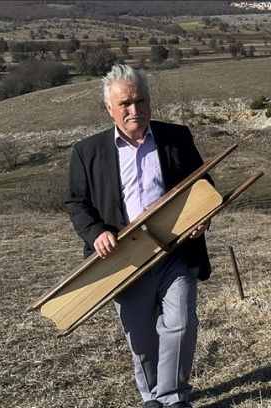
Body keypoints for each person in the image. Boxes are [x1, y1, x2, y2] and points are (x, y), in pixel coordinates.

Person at [65, 63, 212, 407]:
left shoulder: (177, 137)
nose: (135, 110)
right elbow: (76, 201)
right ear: (109, 108)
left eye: (140, 101)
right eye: (125, 104)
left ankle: (173, 397)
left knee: (182, 322)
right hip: (123, 261)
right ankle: (152, 397)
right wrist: (96, 232)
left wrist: (202, 217)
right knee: (141, 337)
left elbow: (203, 185)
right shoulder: (88, 152)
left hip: (174, 251)